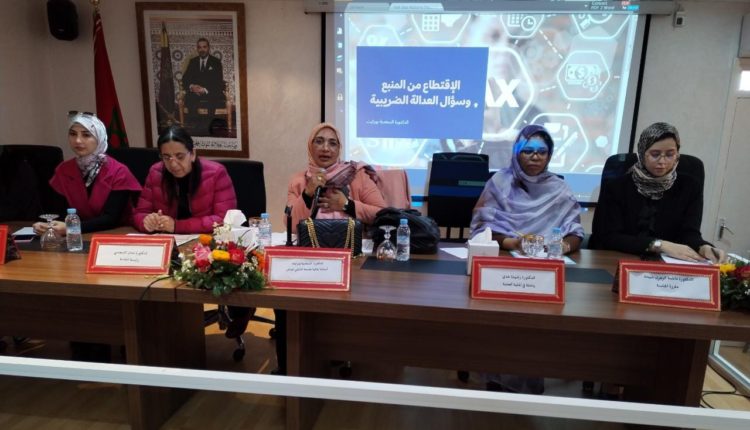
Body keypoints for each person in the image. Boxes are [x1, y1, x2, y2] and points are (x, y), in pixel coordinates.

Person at [589, 122, 727, 263]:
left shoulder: (690, 186)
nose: (662, 161)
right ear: (642, 153)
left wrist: (703, 247)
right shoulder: (617, 186)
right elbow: (607, 237)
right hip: (619, 260)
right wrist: (659, 245)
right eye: (655, 154)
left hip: (665, 265)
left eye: (670, 154)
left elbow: (689, 233)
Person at [471, 124, 584, 254]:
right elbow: (482, 231)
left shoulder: (560, 189)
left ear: (549, 156)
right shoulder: (500, 182)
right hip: (505, 256)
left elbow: (575, 232)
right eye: (528, 151)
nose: (535, 157)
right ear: (517, 153)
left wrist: (562, 247)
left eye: (542, 152)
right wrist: (514, 243)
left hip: (549, 257)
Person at [31, 112, 141, 236]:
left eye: (86, 135)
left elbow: (111, 219)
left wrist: (72, 228)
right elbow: (59, 213)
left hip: (116, 235)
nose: (78, 140)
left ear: (99, 138)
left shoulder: (118, 171)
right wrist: (48, 225)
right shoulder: (63, 170)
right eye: (73, 134)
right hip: (77, 237)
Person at [132, 125, 236, 234]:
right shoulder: (155, 173)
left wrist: (177, 226)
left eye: (180, 157)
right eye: (166, 157)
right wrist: (146, 222)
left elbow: (224, 219)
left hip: (204, 239)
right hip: (167, 239)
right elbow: (139, 214)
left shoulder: (216, 173)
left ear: (192, 154)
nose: (173, 164)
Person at [287, 122, 387, 232]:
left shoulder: (357, 175)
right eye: (319, 141)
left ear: (339, 149)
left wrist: (347, 205)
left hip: (351, 242)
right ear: (310, 146)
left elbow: (383, 215)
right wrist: (307, 194)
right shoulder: (298, 181)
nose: (325, 148)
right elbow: (290, 226)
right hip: (312, 242)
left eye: (332, 143)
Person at [181, 37, 226, 136]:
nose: (202, 49)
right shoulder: (193, 61)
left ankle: (207, 127)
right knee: (189, 97)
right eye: (199, 47)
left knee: (213, 97)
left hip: (210, 91)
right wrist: (192, 87)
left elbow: (218, 81)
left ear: (208, 48)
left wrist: (204, 90)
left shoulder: (216, 62)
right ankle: (195, 127)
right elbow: (185, 79)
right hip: (195, 92)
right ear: (197, 49)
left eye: (204, 47)